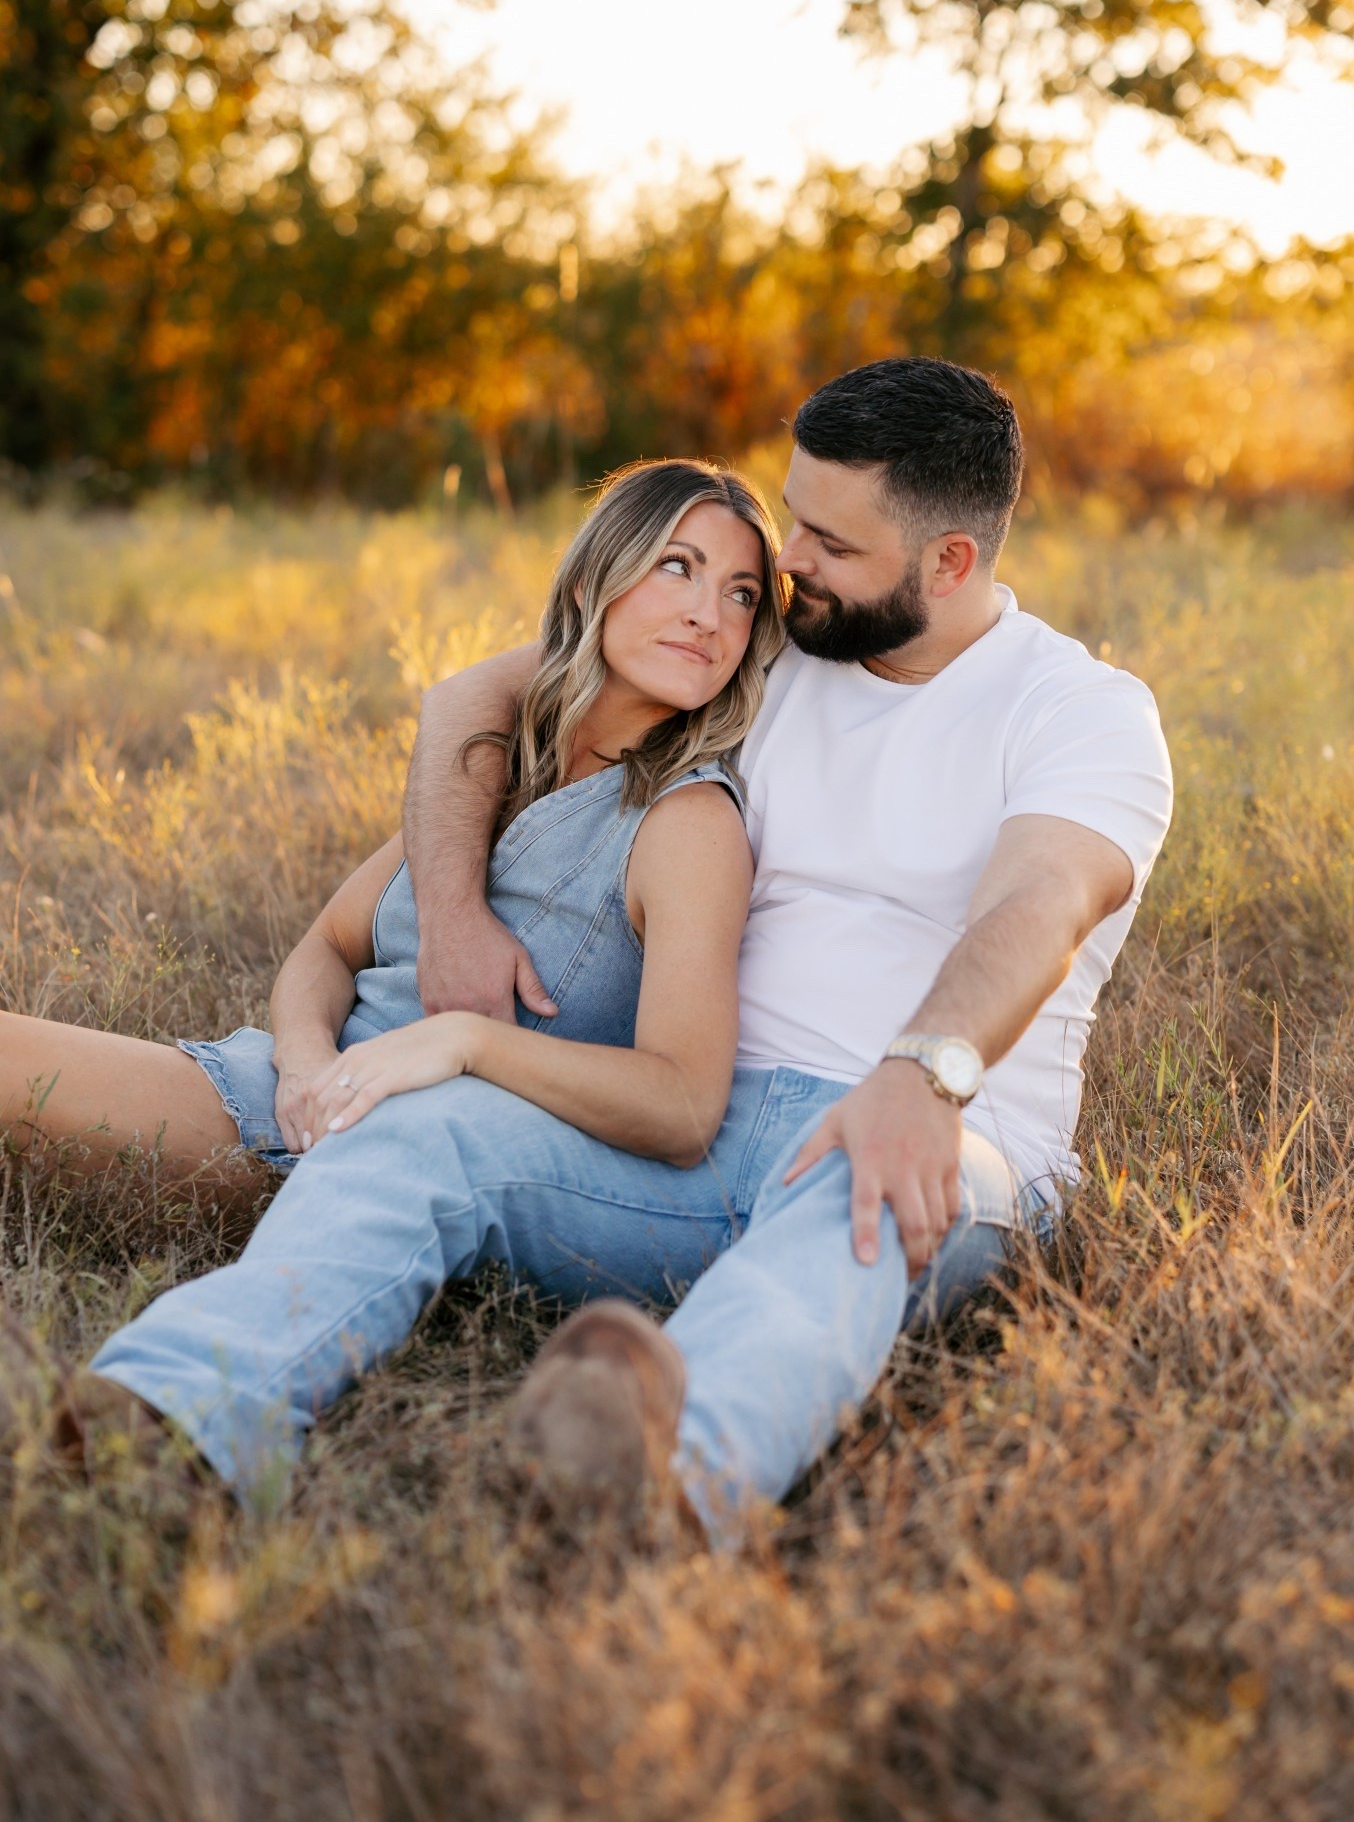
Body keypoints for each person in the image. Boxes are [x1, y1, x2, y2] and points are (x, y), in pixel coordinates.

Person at [406, 357, 1176, 1531]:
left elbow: (1043, 902)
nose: (785, 560)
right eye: (793, 515)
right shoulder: (773, 653)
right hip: (697, 1129)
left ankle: (659, 1497)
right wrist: (455, 917)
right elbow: (478, 695)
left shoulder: (1081, 709)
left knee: (852, 1191)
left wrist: (922, 1077)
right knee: (441, 1132)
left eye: (828, 537)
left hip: (945, 1137)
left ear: (951, 561)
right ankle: (173, 1406)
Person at [1, 460, 790, 1486]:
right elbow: (328, 946)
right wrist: (297, 1063)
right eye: (677, 567)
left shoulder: (686, 821)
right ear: (594, 583)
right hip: (290, 1096)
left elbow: (683, 1101)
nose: (708, 614)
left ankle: (133, 1427)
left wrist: (462, 1041)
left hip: (411, 1150)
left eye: (739, 592)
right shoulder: (499, 764)